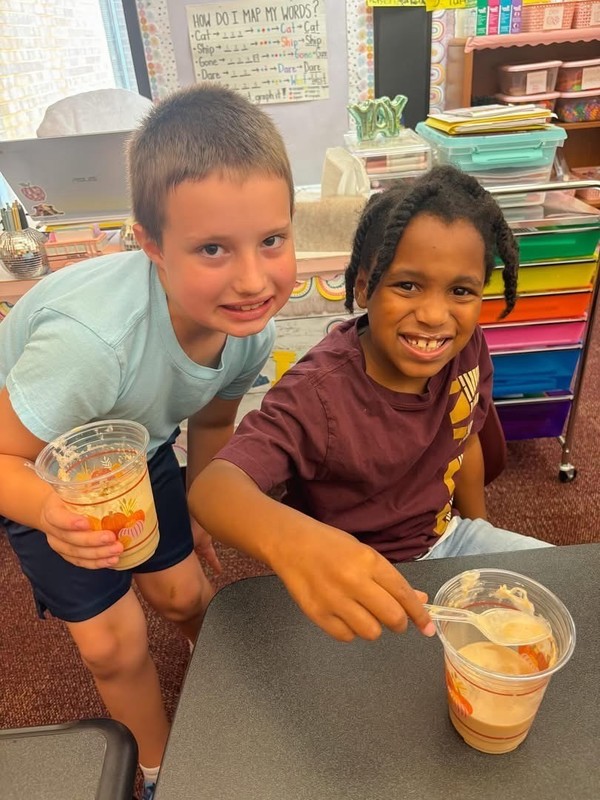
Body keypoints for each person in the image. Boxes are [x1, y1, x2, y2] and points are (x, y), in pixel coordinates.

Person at [0, 84, 297, 800]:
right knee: (114, 643)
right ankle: (164, 770)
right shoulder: (94, 346)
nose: (254, 280)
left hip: (139, 443)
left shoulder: (250, 330)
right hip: (36, 463)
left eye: (272, 240)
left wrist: (198, 507)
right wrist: (52, 514)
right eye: (213, 249)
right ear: (151, 245)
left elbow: (212, 422)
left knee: (183, 589)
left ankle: (225, 680)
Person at [189, 165, 551, 648]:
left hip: (450, 543)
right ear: (363, 287)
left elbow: (463, 441)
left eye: (461, 291)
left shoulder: (465, 346)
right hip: (352, 578)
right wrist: (297, 544)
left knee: (564, 590)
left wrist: (478, 535)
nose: (434, 315)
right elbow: (213, 490)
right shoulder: (315, 394)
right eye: (407, 285)